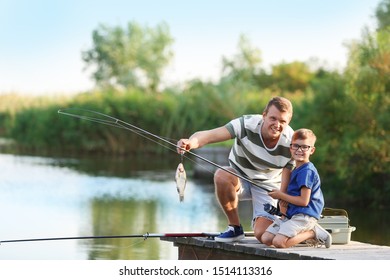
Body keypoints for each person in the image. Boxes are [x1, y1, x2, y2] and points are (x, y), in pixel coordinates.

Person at [177, 96, 294, 242]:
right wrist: (190, 142)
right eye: (273, 118)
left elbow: (294, 177)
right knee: (222, 175)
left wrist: (286, 202)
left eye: (283, 121)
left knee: (263, 236)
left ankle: (302, 229)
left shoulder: (291, 142)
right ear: (264, 115)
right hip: (239, 177)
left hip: (268, 187)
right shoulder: (246, 124)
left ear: (288, 122)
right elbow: (209, 135)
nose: (277, 124)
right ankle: (235, 228)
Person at [261, 128, 332, 248]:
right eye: (296, 146)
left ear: (312, 150)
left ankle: (313, 232)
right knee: (266, 238)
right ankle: (306, 231)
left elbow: (304, 201)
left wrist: (280, 195)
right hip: (292, 214)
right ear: (291, 148)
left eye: (305, 147)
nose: (299, 150)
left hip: (304, 215)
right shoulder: (296, 168)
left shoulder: (307, 171)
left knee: (279, 243)